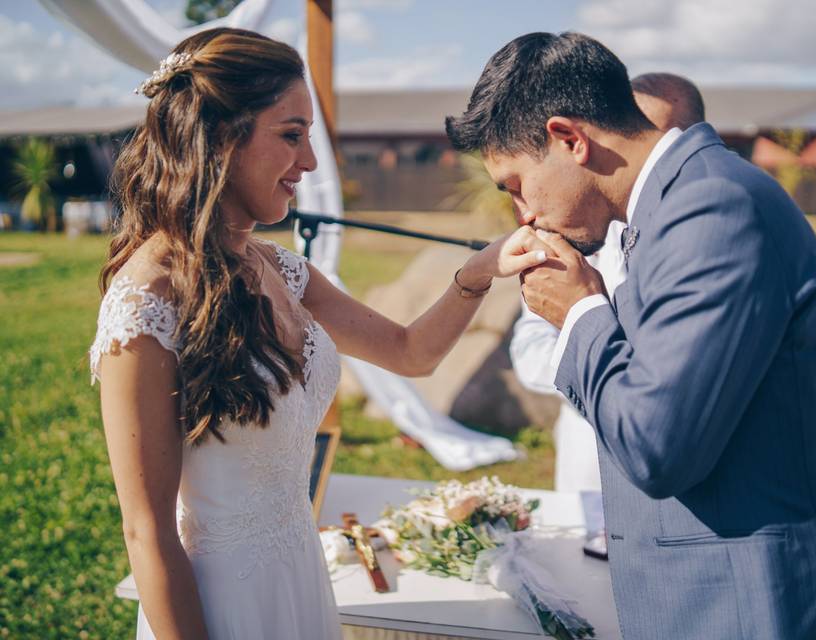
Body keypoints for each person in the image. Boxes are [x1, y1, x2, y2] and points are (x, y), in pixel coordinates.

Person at [90, 28, 545, 640]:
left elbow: (410, 353)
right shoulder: (146, 302)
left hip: (300, 578)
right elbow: (146, 530)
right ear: (221, 137)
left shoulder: (281, 269)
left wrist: (481, 270)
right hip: (221, 606)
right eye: (291, 135)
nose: (307, 162)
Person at [446, 32, 816, 639]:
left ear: (569, 139)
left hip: (755, 604)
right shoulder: (664, 207)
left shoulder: (712, 206)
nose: (523, 213)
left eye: (517, 183)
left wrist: (579, 314)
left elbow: (659, 445)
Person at [510, 72, 705, 500]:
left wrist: (589, 331)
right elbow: (528, 351)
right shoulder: (580, 228)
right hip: (588, 467)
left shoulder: (704, 229)